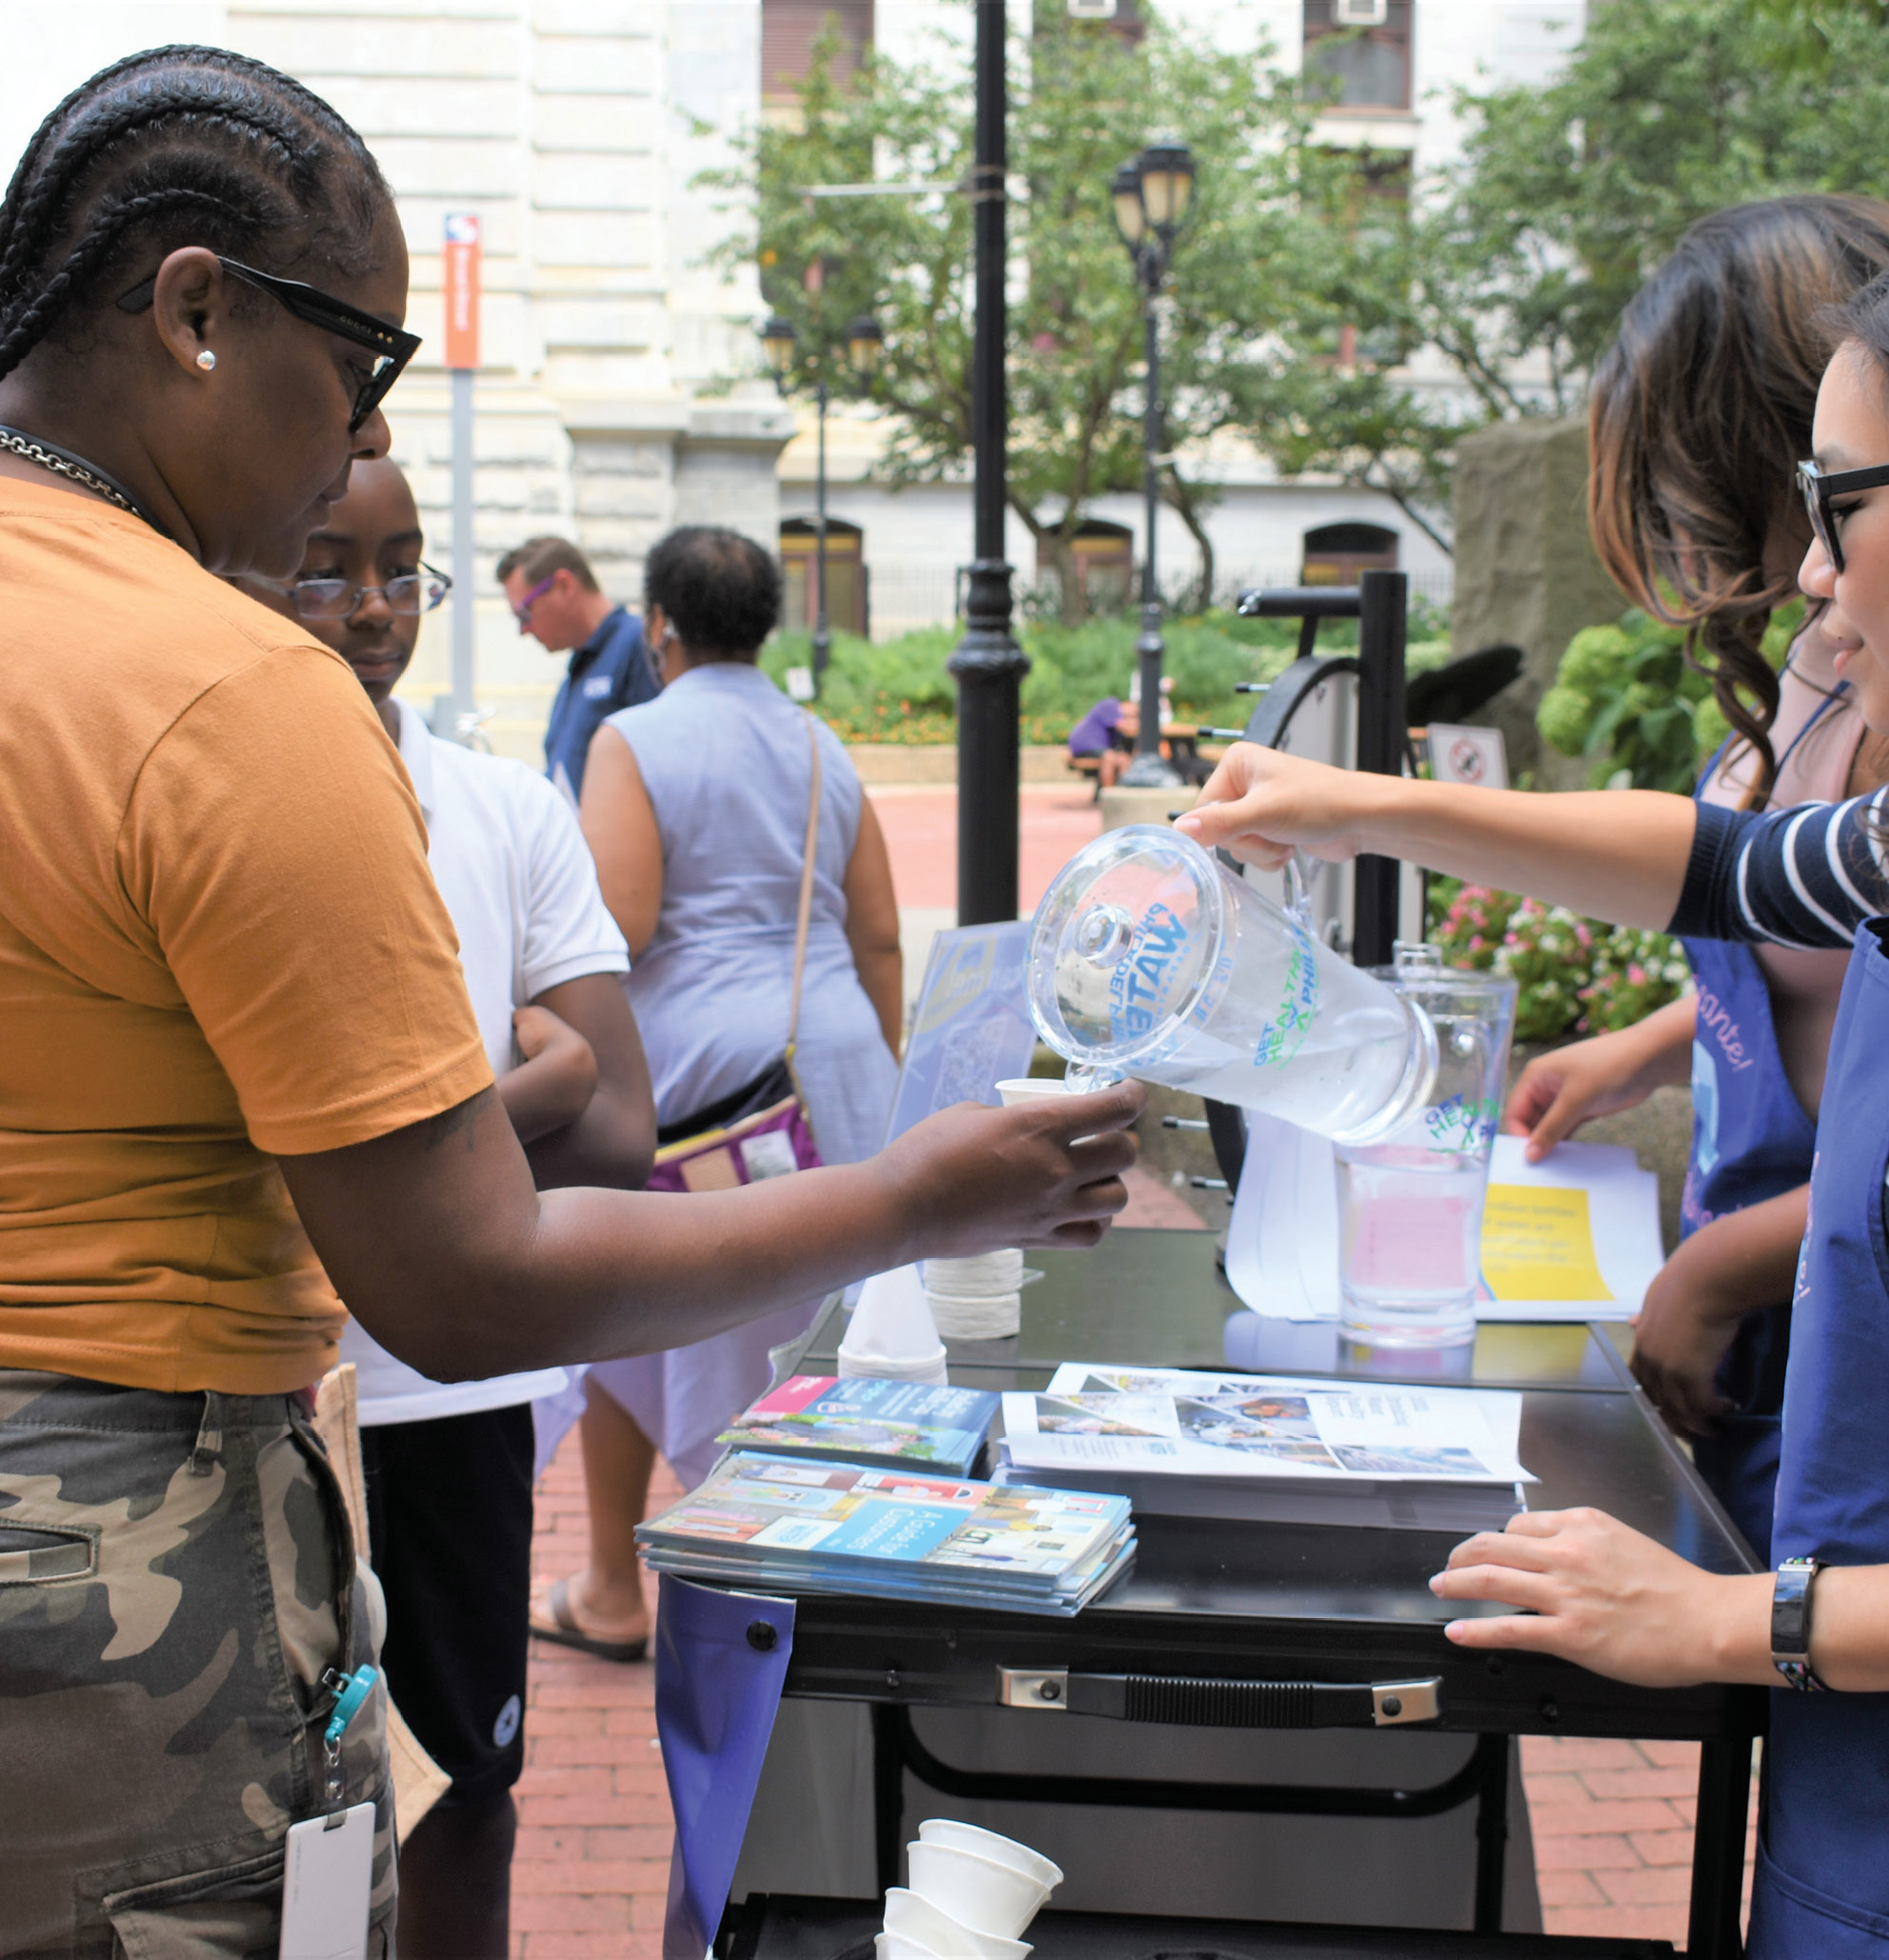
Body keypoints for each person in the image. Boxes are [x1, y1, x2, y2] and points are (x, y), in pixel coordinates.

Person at [0, 47, 1138, 1955]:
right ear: (195, 310)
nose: (349, 449)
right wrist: (933, 1195)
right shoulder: (220, 692)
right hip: (108, 1569)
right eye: (356, 375)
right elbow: (461, 1280)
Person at [1181, 201, 1889, 1957]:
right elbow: (1722, 867)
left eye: (1843, 506)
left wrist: (1733, 1619)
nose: (1810, 581)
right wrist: (1356, 800)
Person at [239, 454, 654, 1955]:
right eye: (322, 564)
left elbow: (616, 1121)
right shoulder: (201, 791)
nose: (369, 605)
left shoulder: (498, 802)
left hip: (454, 1391)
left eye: (401, 567)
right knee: (275, 1829)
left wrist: (537, 1097)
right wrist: (515, 1088)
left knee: (469, 1788)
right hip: (255, 1396)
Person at [1499, 195, 1889, 1560]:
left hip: (1858, 1329)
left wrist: (1715, 1271)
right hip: (1755, 1322)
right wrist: (1657, 1041)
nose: (1682, 540)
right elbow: (1812, 931)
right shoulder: (1813, 649)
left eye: (1688, 478)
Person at [533, 524, 904, 1658]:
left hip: (695, 1086)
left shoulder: (631, 739)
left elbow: (623, 923)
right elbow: (879, 935)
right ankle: (828, 1575)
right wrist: (858, 1088)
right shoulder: (820, 744)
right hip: (827, 1063)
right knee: (821, 1334)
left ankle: (616, 1583)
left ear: (660, 627)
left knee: (635, 1317)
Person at [495, 532, 659, 799]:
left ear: (564, 584)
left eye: (524, 612)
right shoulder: (581, 665)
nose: (524, 629)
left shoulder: (637, 646)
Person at [1070, 693, 1134, 789]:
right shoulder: (1112, 705)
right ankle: (1109, 795)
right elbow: (1127, 729)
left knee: (1123, 758)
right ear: (1127, 703)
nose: (1131, 717)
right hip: (1085, 745)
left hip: (1097, 746)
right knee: (1110, 758)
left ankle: (1122, 791)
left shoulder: (1120, 714)